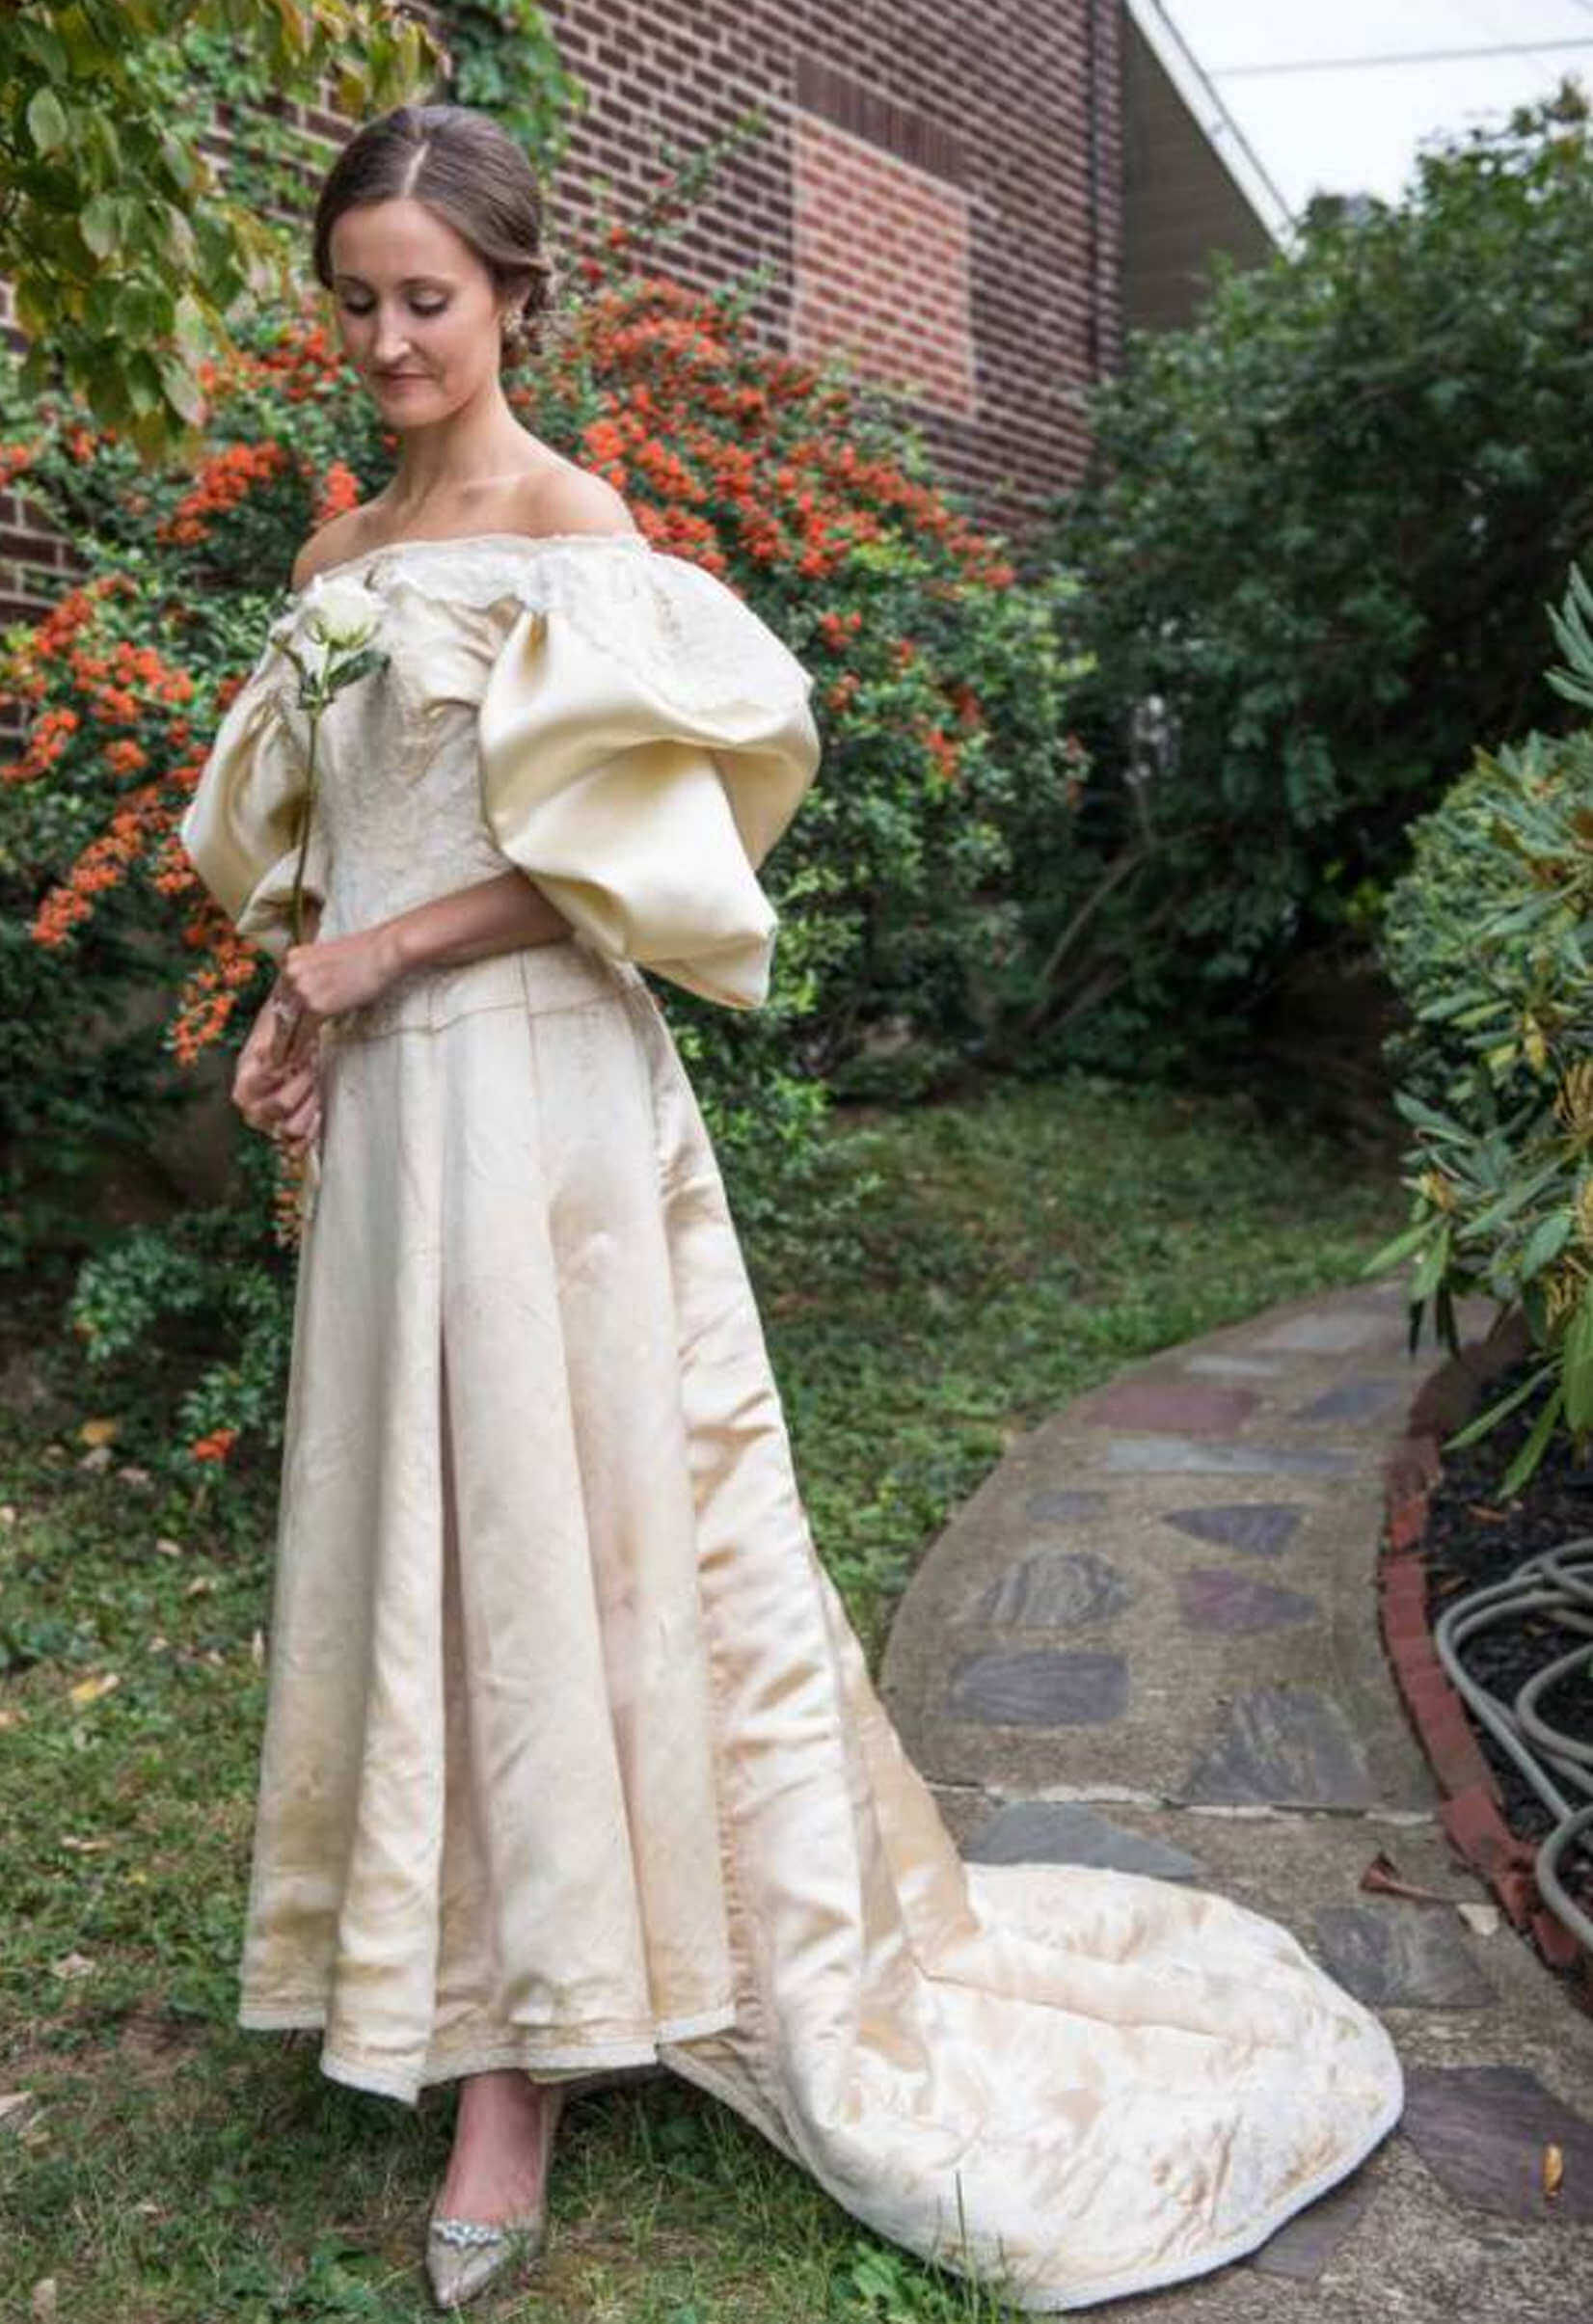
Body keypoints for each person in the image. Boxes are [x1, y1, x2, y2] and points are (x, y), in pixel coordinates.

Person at [178, 101, 1404, 2317]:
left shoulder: (579, 529)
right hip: (389, 1117)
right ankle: (431, 1960)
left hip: (540, 1099)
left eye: (425, 301)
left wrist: (373, 958)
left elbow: (604, 874)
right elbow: (327, 851)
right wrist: (303, 999)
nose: (384, 341)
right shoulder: (329, 557)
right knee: (419, 1526)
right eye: (353, 300)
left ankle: (525, 2068)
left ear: (515, 299)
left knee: (555, 1531)